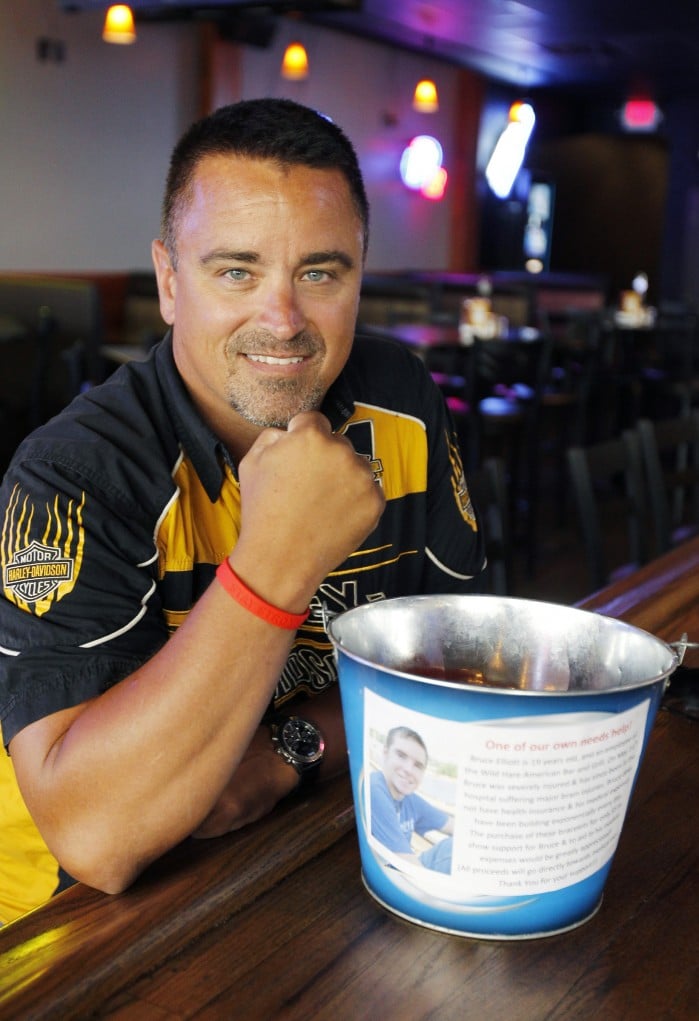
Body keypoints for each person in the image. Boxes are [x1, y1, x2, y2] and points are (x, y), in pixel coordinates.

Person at [0, 97, 484, 924]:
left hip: (324, 846)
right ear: (168, 281)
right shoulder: (74, 476)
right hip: (87, 924)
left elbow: (457, 664)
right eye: (236, 271)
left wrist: (287, 752)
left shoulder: (400, 399)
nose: (282, 320)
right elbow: (98, 835)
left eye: (319, 273)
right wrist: (274, 564)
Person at [370, 726, 454, 873]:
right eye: (401, 756)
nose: (409, 769)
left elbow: (452, 825)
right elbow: (408, 866)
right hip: (393, 875)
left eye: (418, 765)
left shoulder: (410, 799)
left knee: (454, 846)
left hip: (407, 868)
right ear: (385, 753)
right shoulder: (374, 788)